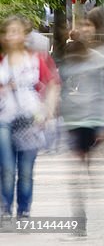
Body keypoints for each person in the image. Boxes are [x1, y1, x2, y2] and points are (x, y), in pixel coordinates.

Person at [60, 7, 104, 220]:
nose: (84, 29)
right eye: (82, 25)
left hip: (95, 120)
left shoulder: (103, 57)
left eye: (88, 25)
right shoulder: (71, 57)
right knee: (77, 168)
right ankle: (80, 215)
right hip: (76, 121)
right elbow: (64, 89)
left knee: (93, 166)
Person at [0, 15, 61, 222]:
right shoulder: (1, 61)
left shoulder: (36, 59)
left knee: (26, 169)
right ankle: (5, 208)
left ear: (25, 35)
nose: (11, 35)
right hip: (4, 119)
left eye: (16, 31)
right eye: (8, 31)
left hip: (30, 119)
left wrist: (49, 111)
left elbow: (52, 83)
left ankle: (24, 209)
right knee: (7, 167)